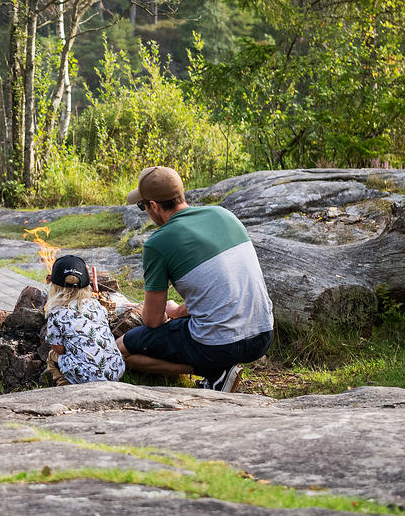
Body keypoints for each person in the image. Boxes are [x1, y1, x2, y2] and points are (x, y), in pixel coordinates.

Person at [117, 166, 274, 392]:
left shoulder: (157, 243)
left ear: (153, 206)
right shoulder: (224, 215)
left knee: (122, 349)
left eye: (142, 206)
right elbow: (218, 288)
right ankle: (220, 369)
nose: (145, 210)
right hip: (263, 335)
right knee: (183, 328)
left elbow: (152, 321)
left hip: (219, 345)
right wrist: (177, 311)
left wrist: (162, 313)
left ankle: (213, 371)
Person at [44, 254, 126, 385]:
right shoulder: (96, 305)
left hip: (89, 378)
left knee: (52, 356)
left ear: (53, 285)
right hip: (116, 370)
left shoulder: (56, 313)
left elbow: (58, 348)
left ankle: (65, 386)